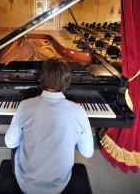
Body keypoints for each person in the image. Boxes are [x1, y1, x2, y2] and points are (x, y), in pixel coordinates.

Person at [5, 57, 94, 194]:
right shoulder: (78, 111)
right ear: (67, 80)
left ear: (42, 78)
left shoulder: (25, 106)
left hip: (26, 183)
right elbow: (87, 152)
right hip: (59, 185)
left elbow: (10, 143)